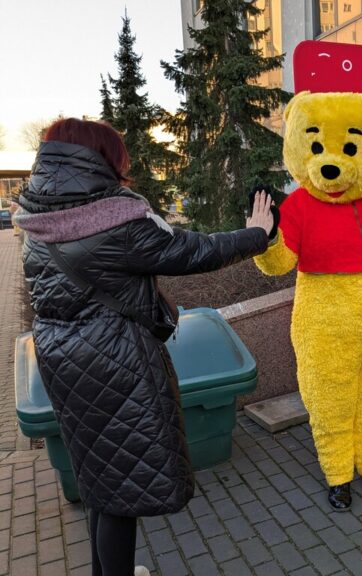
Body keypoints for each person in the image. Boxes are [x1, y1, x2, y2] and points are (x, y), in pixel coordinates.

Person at [13, 118, 277, 576]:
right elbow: (193, 251)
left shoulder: (37, 215)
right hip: (112, 362)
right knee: (122, 493)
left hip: (62, 360)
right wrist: (257, 233)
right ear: (101, 159)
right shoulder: (112, 219)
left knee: (100, 478)